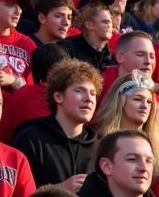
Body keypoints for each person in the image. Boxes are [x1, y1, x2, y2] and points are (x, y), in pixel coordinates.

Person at [11, 59, 100, 189]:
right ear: (58, 97)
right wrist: (60, 189)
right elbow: (15, 196)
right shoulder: (30, 139)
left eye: (93, 93)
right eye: (79, 91)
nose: (89, 99)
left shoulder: (99, 147)